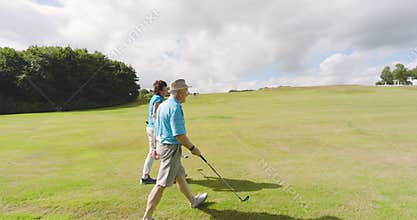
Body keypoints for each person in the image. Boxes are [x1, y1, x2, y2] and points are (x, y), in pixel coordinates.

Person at [143, 79, 207, 220]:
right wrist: (193, 148)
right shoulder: (175, 107)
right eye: (185, 91)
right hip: (170, 148)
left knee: (179, 175)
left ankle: (193, 200)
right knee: (161, 184)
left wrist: (154, 147)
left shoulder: (163, 105)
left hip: (161, 145)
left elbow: (156, 129)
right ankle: (147, 217)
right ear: (178, 92)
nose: (188, 93)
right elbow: (179, 135)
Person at [141, 80, 168, 184]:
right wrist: (159, 128)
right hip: (154, 129)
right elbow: (154, 114)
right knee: (155, 151)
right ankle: (145, 176)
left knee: (157, 151)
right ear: (161, 90)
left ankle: (175, 172)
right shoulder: (158, 99)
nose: (167, 90)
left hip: (151, 127)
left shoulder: (156, 97)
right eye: (165, 88)